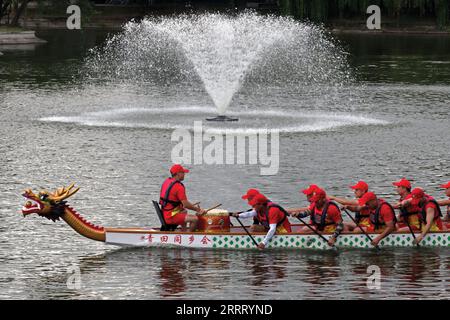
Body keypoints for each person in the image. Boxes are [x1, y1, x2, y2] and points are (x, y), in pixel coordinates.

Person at [159, 164, 206, 231]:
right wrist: (198, 210)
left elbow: (171, 201)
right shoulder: (179, 187)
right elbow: (186, 204)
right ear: (178, 174)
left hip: (165, 213)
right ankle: (187, 236)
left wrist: (186, 206)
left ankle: (183, 231)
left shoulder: (166, 182)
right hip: (170, 217)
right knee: (195, 219)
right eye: (183, 173)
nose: (184, 174)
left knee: (184, 211)